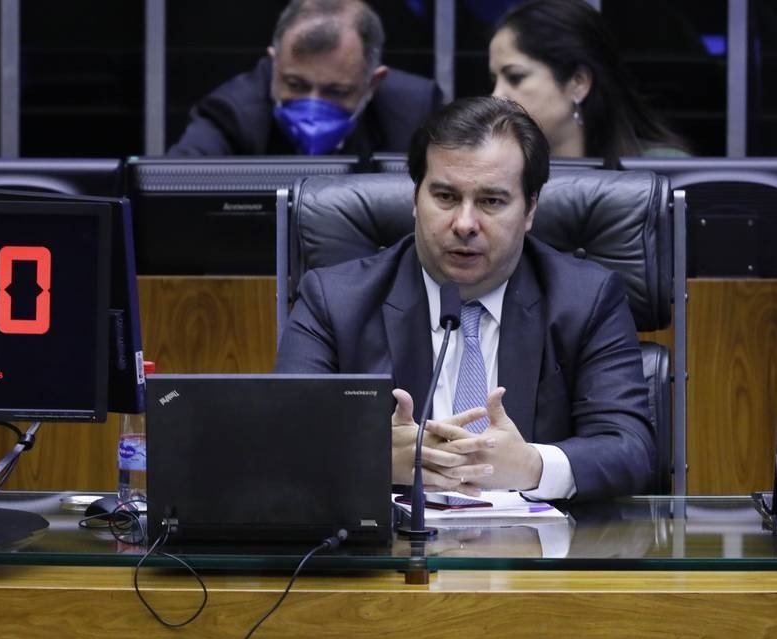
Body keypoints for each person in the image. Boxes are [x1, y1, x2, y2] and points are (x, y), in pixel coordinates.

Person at [275, 96, 655, 501]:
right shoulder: (335, 301)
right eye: (445, 196)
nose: (465, 224)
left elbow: (629, 448)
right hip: (395, 541)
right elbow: (281, 441)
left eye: (491, 201)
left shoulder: (586, 299)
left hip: (536, 541)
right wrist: (373, 459)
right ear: (415, 199)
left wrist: (533, 465)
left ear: (529, 210)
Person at [167, 0, 442, 160]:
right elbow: (173, 186)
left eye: (336, 91)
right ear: (274, 63)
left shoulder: (414, 111)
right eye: (295, 84)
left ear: (373, 83)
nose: (312, 104)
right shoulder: (231, 113)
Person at [488, 0, 689, 167]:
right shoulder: (498, 173)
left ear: (578, 83)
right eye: (494, 80)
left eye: (515, 77)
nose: (496, 96)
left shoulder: (660, 169)